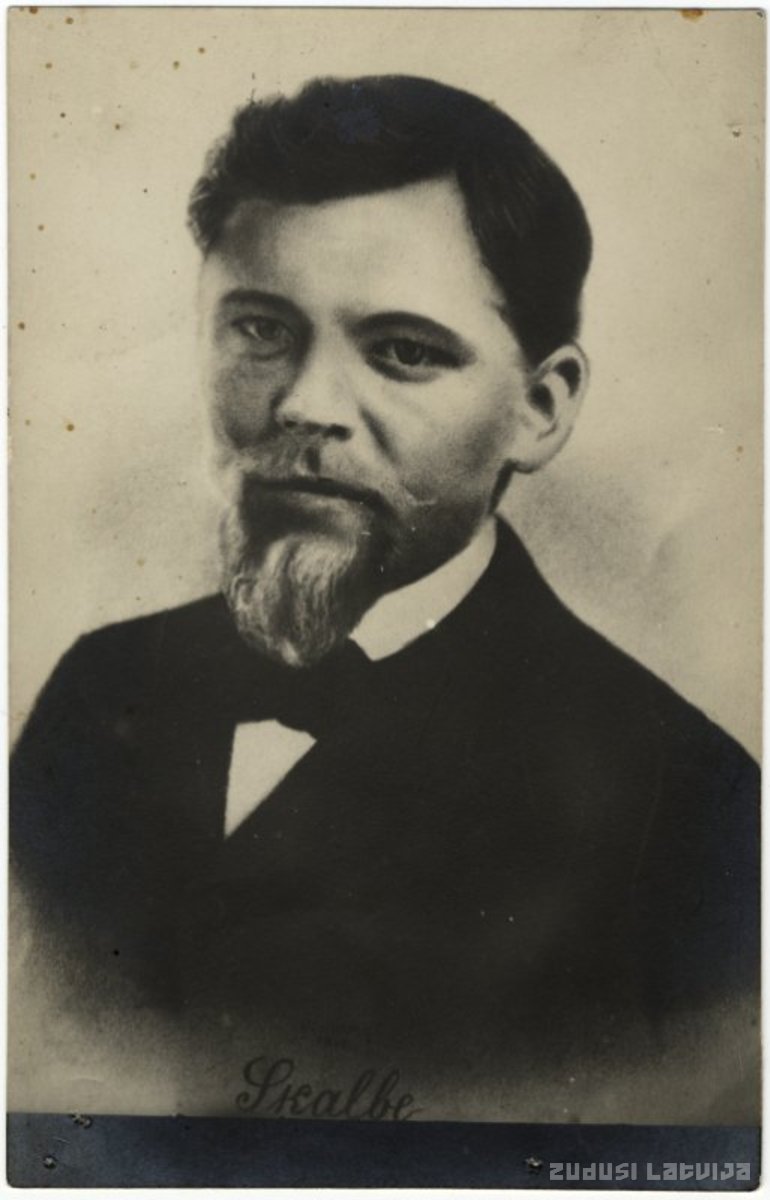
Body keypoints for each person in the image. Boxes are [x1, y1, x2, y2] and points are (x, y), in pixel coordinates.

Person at [10, 75, 759, 1124]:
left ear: (539, 409)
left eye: (403, 351)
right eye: (260, 330)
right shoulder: (100, 691)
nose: (303, 405)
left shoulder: (689, 806)